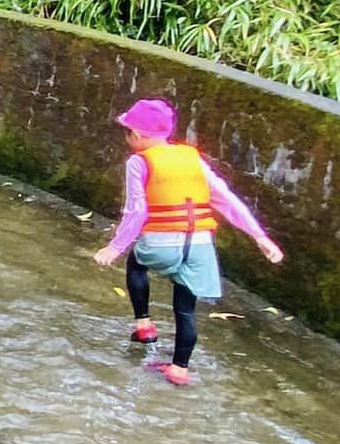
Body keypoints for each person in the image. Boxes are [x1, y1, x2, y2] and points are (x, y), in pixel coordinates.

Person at [91, 99, 284, 386]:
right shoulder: (193, 158)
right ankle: (179, 369)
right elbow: (225, 197)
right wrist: (259, 236)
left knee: (136, 262)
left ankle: (144, 325)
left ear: (139, 136)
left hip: (160, 244)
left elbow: (137, 211)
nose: (127, 136)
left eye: (128, 131)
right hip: (199, 247)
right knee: (185, 309)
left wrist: (115, 247)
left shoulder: (138, 162)